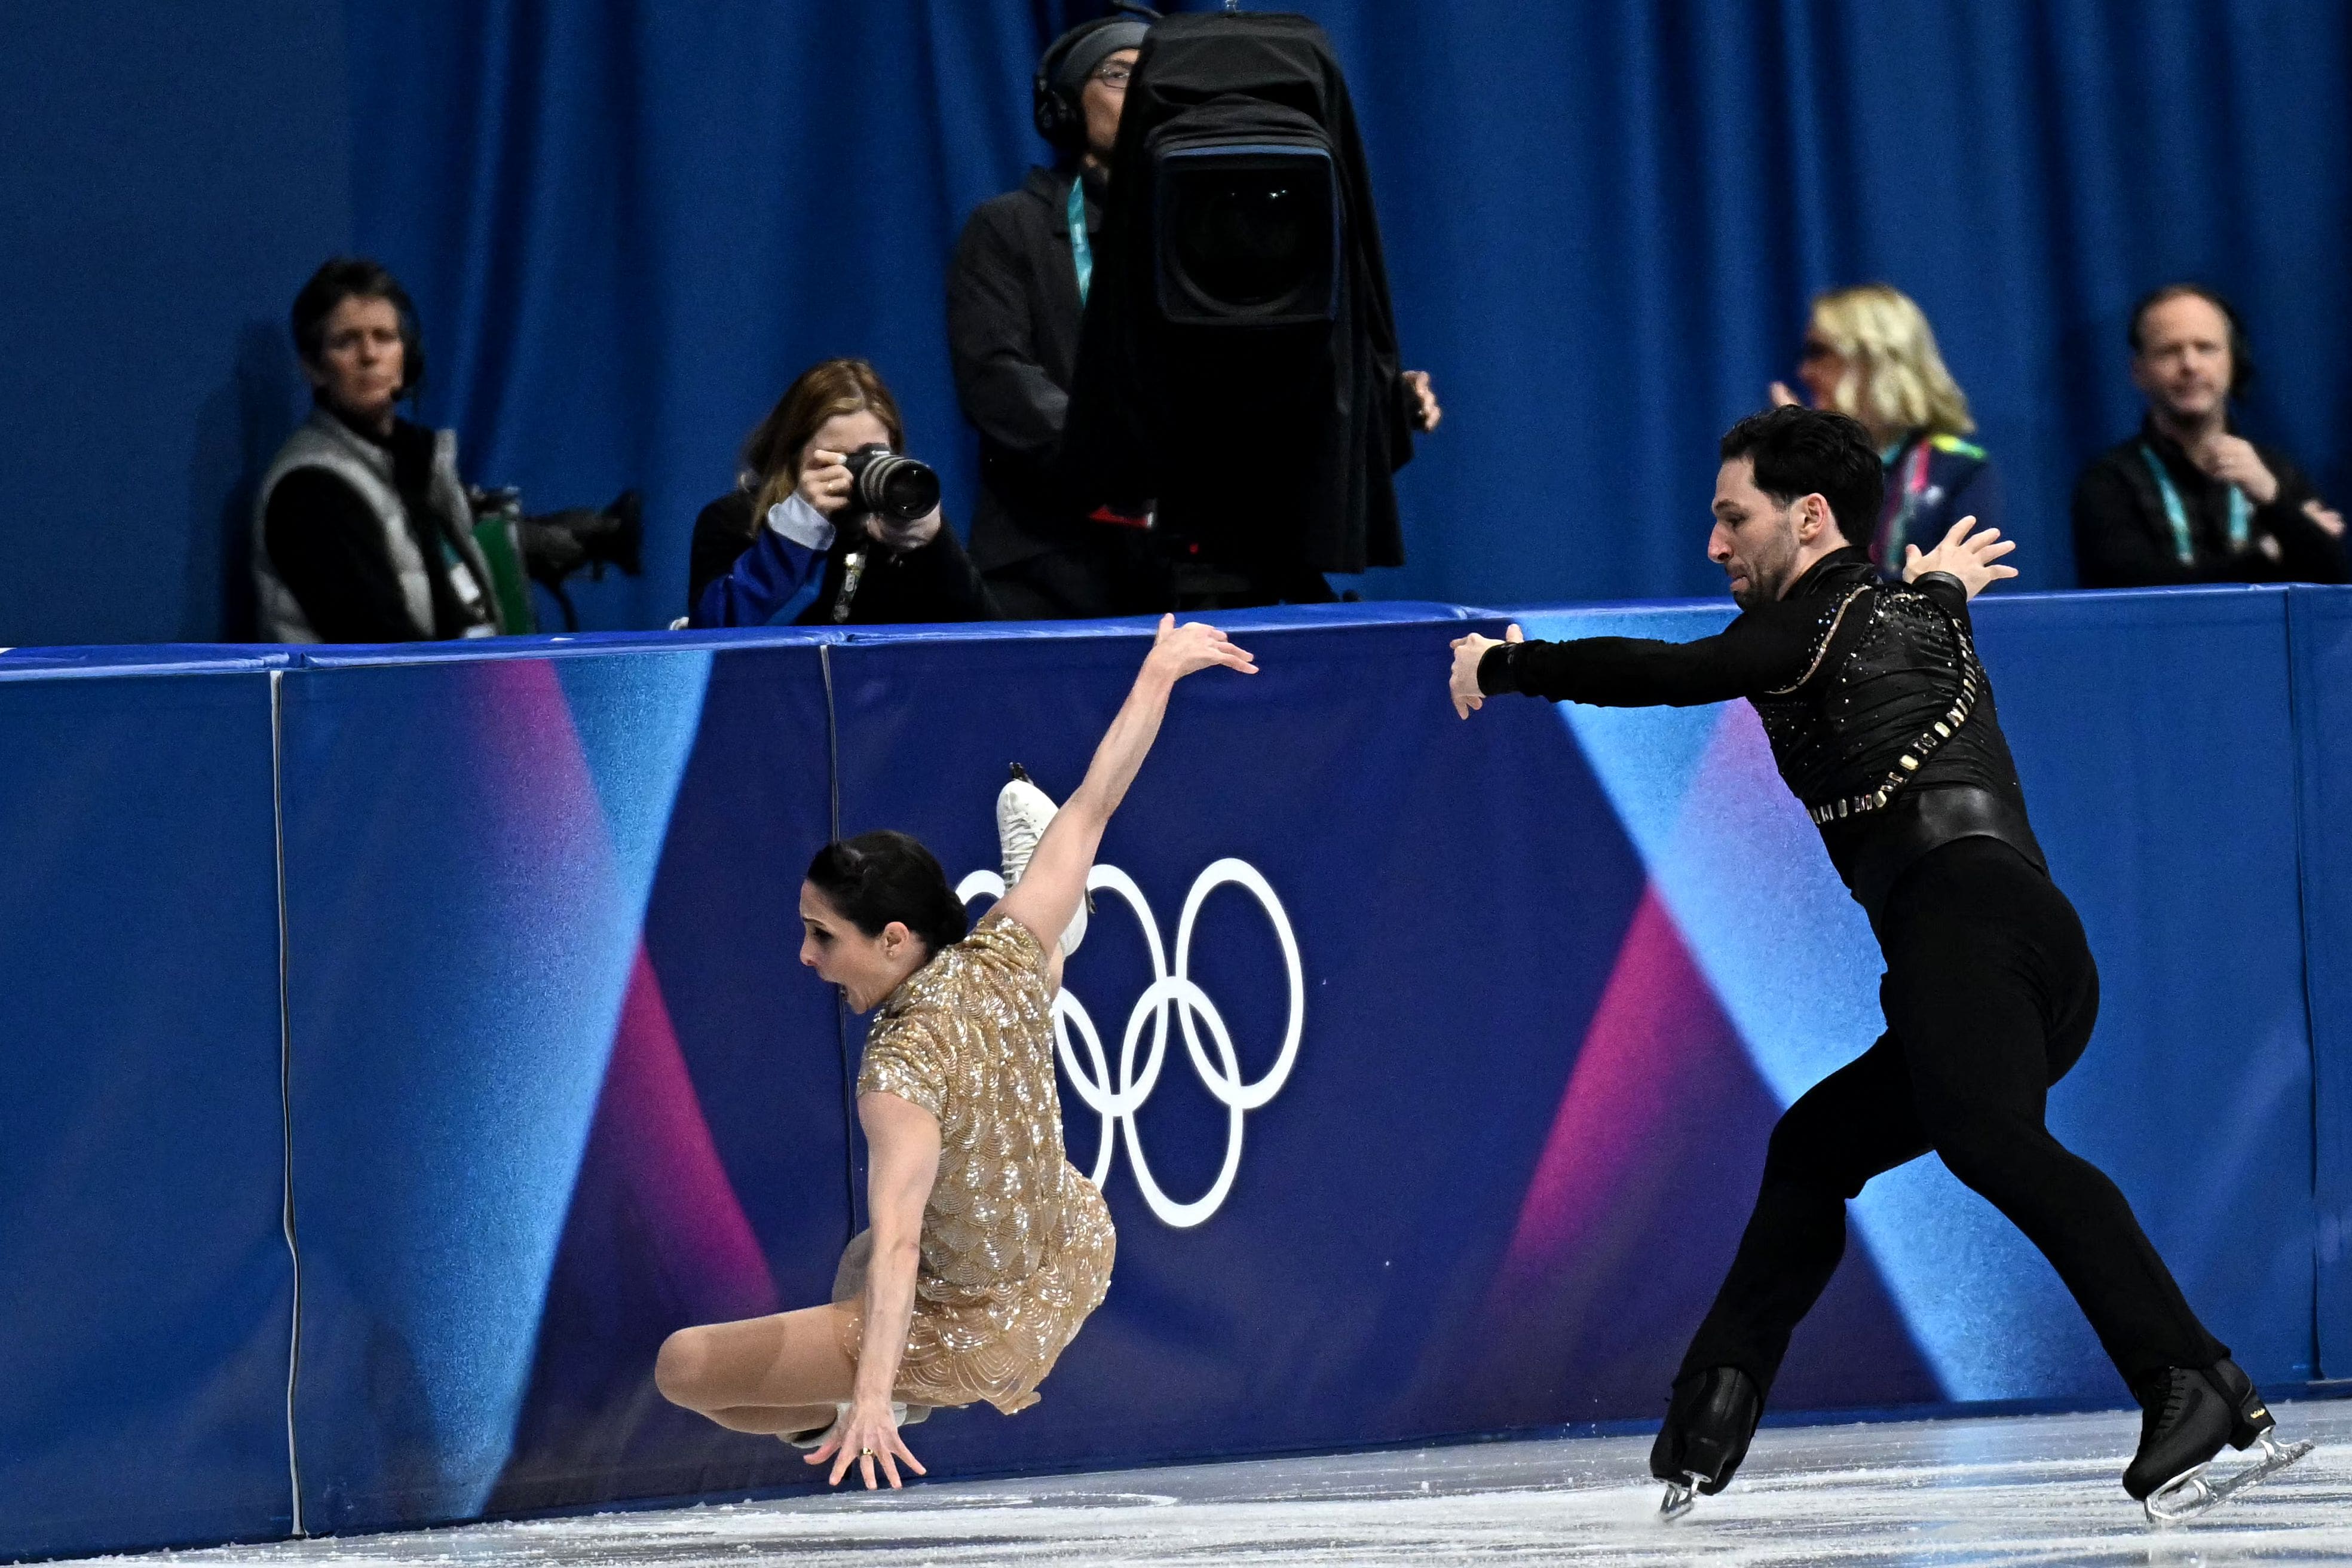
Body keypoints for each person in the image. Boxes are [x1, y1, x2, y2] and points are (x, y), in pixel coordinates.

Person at [1446, 405, 2309, 1523]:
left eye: (1730, 517)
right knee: (1817, 1144)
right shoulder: (1913, 607)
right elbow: (1921, 609)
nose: (1713, 545)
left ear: (1807, 518)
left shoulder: (1802, 628)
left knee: (1995, 1144)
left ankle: (2185, 1379)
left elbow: (1672, 672)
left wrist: (1509, 664)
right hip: (2030, 947)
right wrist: (1942, 581)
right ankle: (1713, 1407)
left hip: (1960, 929)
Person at [652, 612, 1257, 1488]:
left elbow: (905, 1244)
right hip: (1078, 1251)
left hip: (976, 1333)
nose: (806, 957)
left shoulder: (897, 1074)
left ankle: (900, 1397)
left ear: (893, 939)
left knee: (688, 1368)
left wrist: (871, 1395)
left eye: (823, 937)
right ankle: (1064, 929)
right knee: (863, 1251)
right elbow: (1093, 805)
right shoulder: (999, 955)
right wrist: (1158, 673)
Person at [947, 13, 1440, 618]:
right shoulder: (1009, 227)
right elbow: (999, 382)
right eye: (1120, 75)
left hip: (1224, 560)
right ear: (1068, 108)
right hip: (1060, 567)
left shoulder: (1226, 227)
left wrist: (1376, 398)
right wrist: (1120, 461)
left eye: (1153, 76)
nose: (1144, 92)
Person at [253, 258, 507, 642]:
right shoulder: (309, 488)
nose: (369, 355)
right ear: (314, 368)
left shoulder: (414, 460)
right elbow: (379, 651)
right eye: (346, 342)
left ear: (406, 359)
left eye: (384, 337)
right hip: (382, 701)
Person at [2072, 284, 2347, 588]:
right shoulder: (2108, 482)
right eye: (2169, 351)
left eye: (2206, 348)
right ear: (2139, 371)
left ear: (2232, 362)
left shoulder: (2276, 472)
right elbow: (2132, 588)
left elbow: (2333, 586)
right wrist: (2267, 555)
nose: (2190, 365)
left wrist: (2273, 499)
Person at [686, 359, 993, 628]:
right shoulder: (734, 522)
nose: (855, 473)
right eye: (837, 456)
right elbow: (715, 637)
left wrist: (933, 545)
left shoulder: (895, 533)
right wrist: (796, 535)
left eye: (873, 455)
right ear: (792, 454)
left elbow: (992, 649)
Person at [1769, 283, 1998, 574]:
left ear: (1873, 363)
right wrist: (1806, 456)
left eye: (1819, 352)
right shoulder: (1796, 466)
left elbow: (1972, 592)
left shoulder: (1959, 469)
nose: (1804, 371)